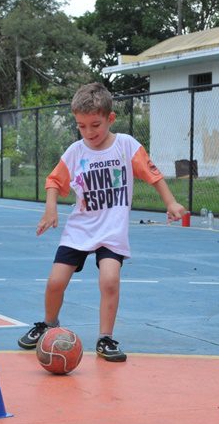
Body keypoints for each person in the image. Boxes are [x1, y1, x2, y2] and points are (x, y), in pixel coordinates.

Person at [17, 82, 187, 362]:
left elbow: (152, 175)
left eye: (94, 125)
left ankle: (105, 338)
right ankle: (48, 324)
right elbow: (53, 180)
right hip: (80, 229)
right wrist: (51, 209)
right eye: (81, 126)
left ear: (110, 119)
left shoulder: (126, 146)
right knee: (55, 282)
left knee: (110, 280)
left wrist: (170, 202)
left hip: (111, 231)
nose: (88, 132)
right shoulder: (75, 151)